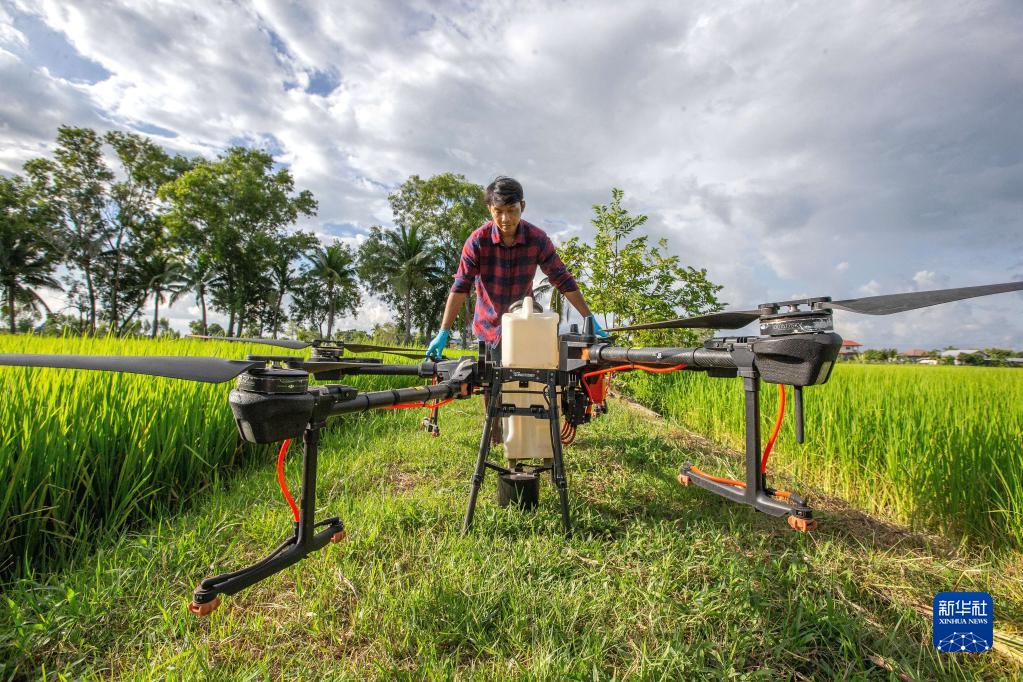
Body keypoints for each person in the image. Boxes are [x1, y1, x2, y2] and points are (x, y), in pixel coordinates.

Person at [425, 176, 606, 442]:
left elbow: (562, 279)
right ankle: (496, 435)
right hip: (489, 325)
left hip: (524, 324)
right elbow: (461, 287)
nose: (506, 219)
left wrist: (589, 316)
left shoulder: (537, 239)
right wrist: (443, 331)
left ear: (523, 206)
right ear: (489, 209)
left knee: (527, 380)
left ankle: (527, 433)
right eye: (499, 211)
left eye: (512, 210)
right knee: (492, 381)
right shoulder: (477, 241)